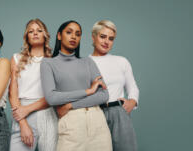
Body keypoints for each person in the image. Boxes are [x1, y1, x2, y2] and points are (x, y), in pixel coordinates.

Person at [40, 20, 112, 151]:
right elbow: (51, 98)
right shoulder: (48, 64)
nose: (73, 36)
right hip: (72, 123)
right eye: (69, 32)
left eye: (78, 34)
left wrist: (70, 105)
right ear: (59, 35)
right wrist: (88, 91)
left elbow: (104, 95)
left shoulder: (87, 62)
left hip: (97, 122)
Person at [89, 20, 139, 151]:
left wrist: (132, 102)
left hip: (119, 112)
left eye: (111, 39)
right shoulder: (84, 63)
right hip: (95, 112)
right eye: (102, 36)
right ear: (93, 37)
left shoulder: (121, 61)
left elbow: (132, 87)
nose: (106, 42)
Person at [9, 18, 57, 151]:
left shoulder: (54, 62)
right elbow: (12, 92)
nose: (35, 33)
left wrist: (28, 109)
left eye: (39, 30)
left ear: (45, 35)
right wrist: (23, 122)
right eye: (31, 31)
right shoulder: (16, 59)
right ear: (27, 37)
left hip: (46, 114)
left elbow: (54, 95)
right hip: (20, 113)